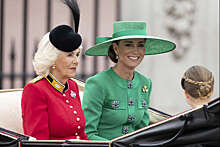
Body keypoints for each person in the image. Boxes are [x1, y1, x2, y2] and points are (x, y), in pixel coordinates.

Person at [82, 21, 176, 141]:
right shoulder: (97, 83)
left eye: (140, 45)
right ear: (116, 48)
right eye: (128, 45)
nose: (135, 51)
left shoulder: (145, 83)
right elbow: (87, 134)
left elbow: (142, 132)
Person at [21, 0, 88, 140]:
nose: (76, 61)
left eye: (77, 54)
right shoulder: (35, 90)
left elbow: (81, 135)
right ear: (52, 59)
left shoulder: (72, 86)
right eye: (69, 55)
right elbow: (39, 141)